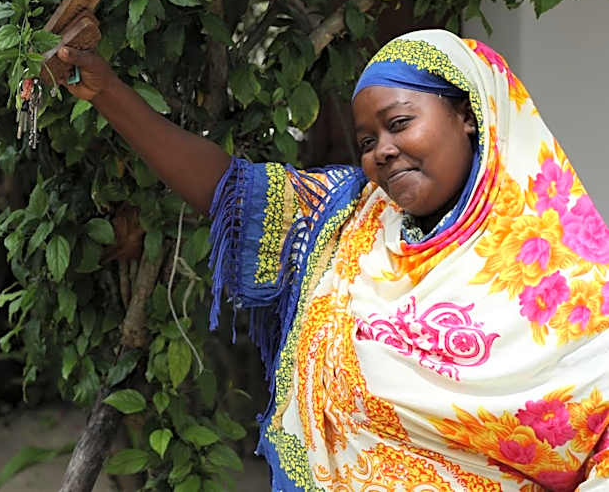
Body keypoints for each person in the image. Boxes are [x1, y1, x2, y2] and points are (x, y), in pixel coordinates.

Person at [54, 29, 609, 490]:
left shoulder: (577, 287)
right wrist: (107, 92)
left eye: (398, 124)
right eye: (366, 141)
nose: (381, 152)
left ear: (468, 114)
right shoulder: (348, 219)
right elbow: (228, 188)